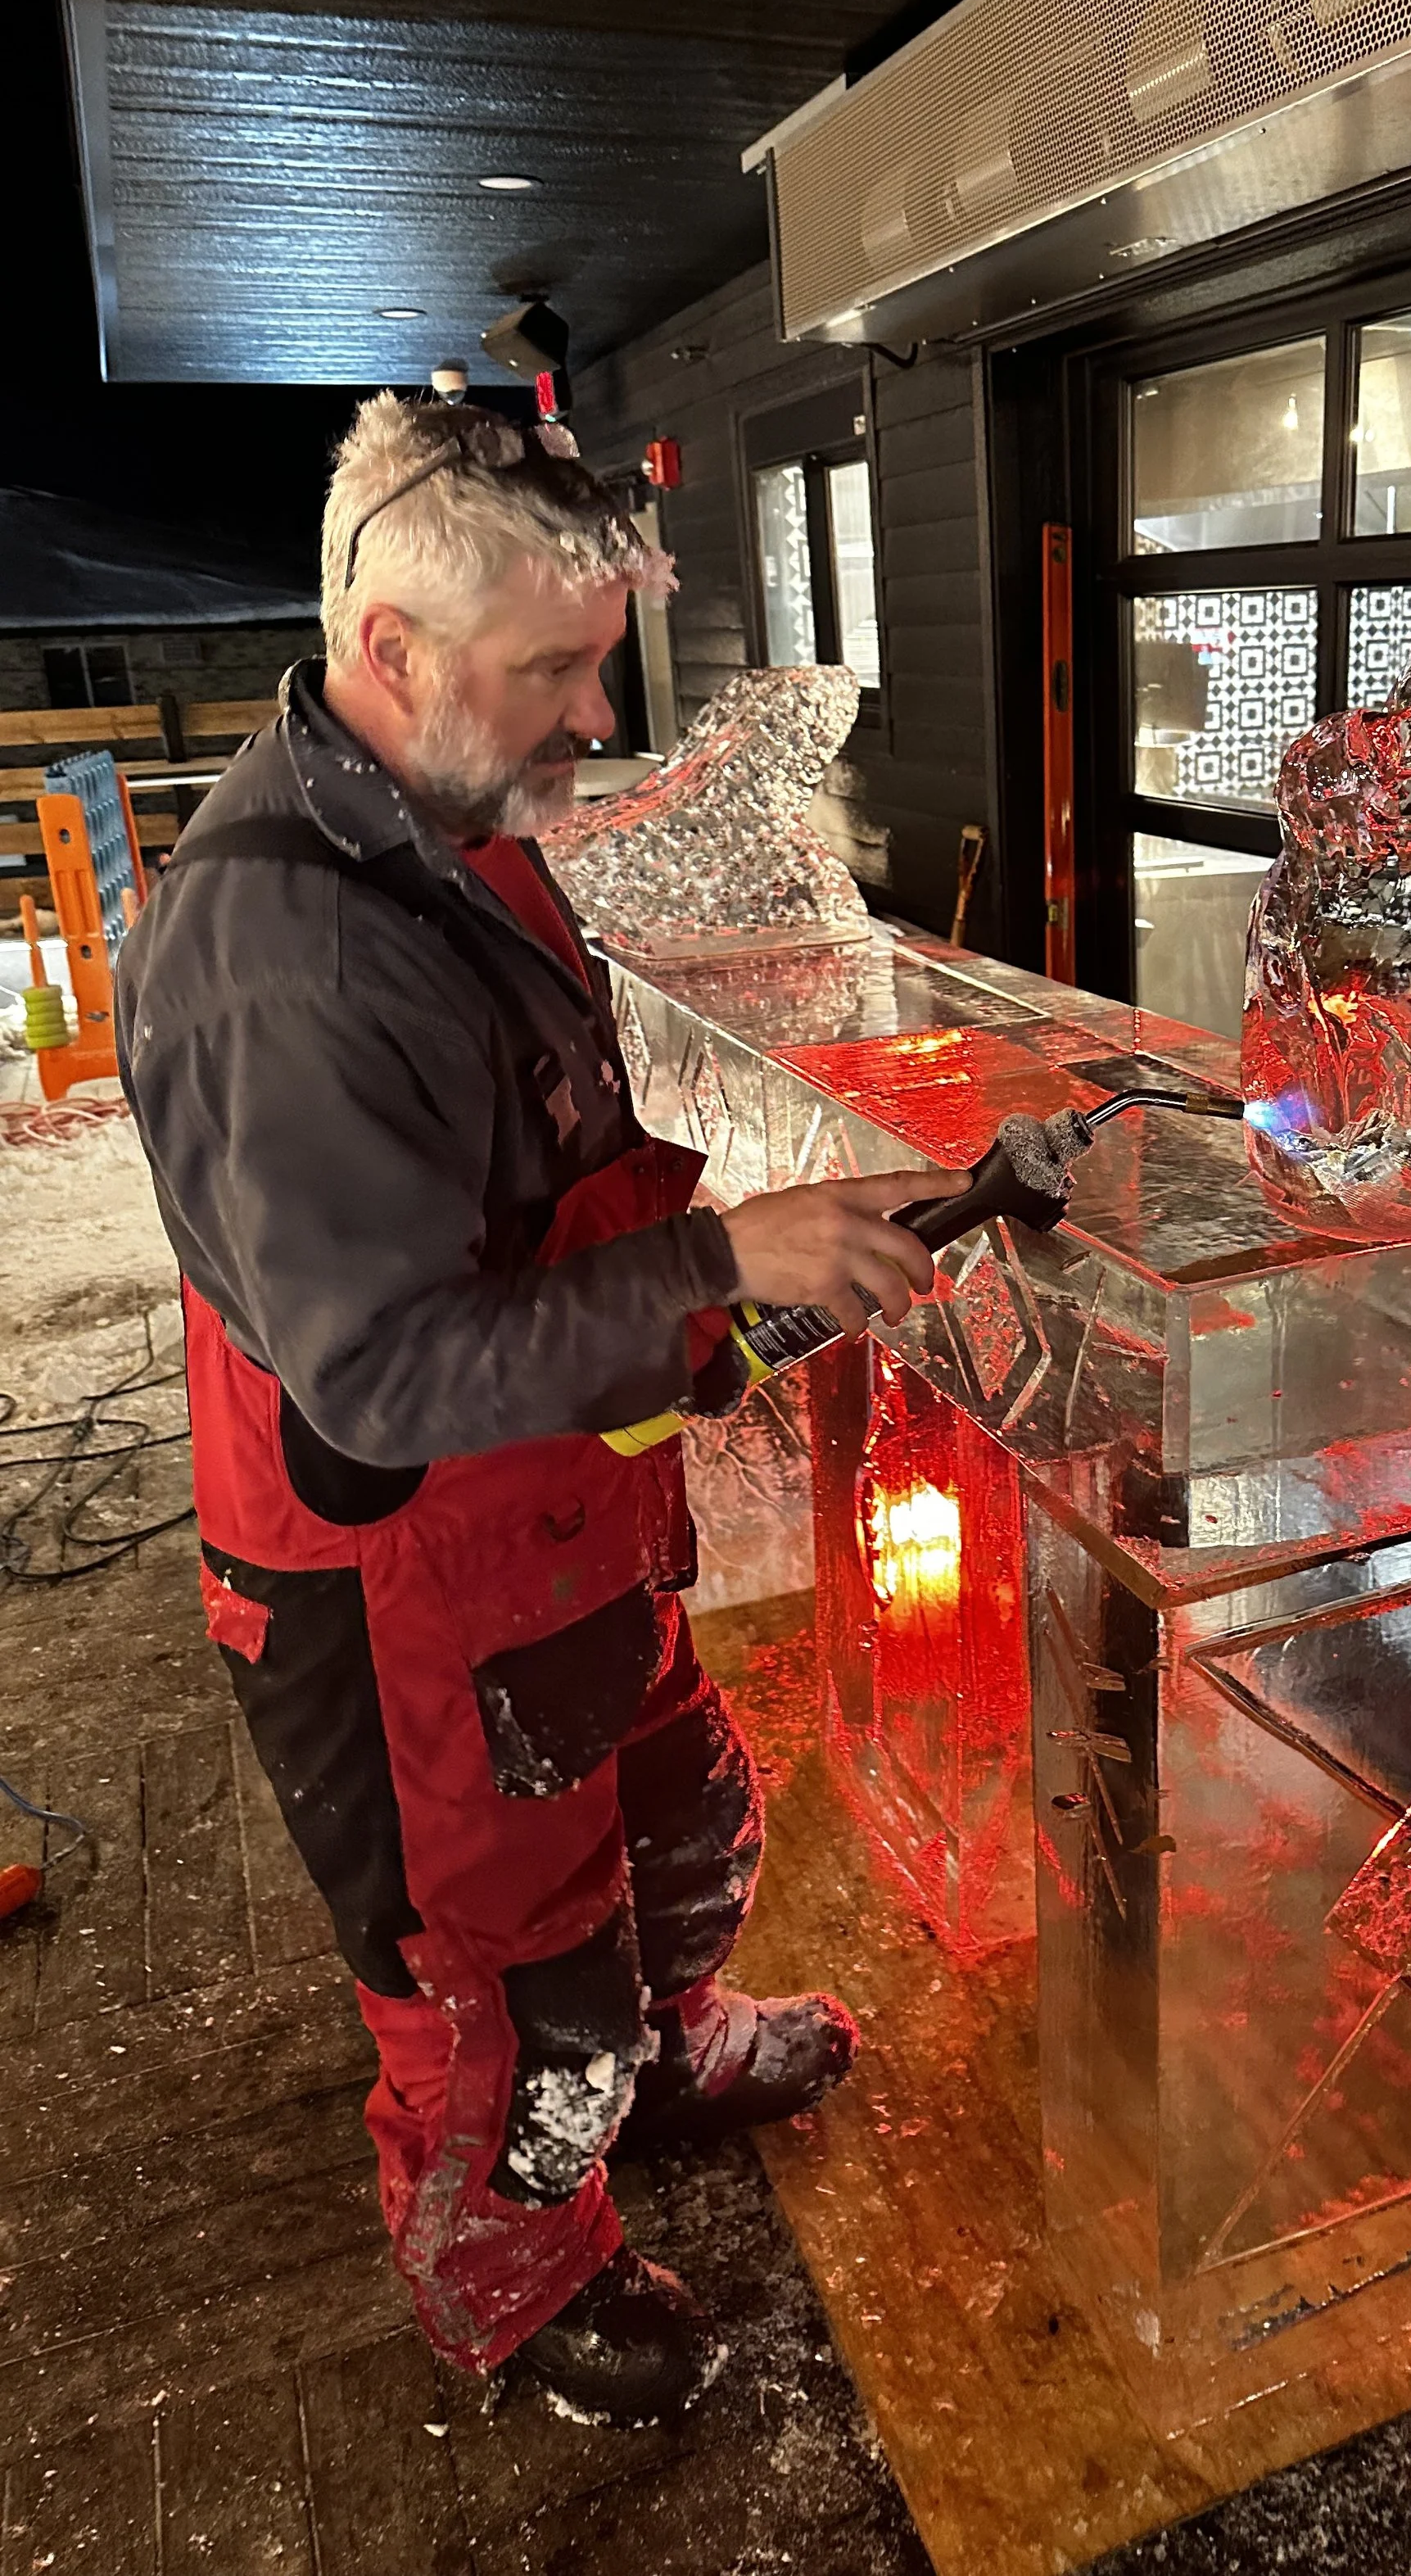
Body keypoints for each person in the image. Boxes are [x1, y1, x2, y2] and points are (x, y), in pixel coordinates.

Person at [115, 393, 962, 2424]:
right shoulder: (284, 954)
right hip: (394, 1578)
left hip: (557, 1519)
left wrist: (759, 1254)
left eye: (601, 657)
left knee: (681, 1817)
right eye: (554, 670)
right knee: (507, 1986)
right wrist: (717, 1267)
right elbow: (387, 1372)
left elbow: (547, 1175)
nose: (597, 714)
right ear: (392, 646)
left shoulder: (452, 824)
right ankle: (514, 2276)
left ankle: (668, 2063)